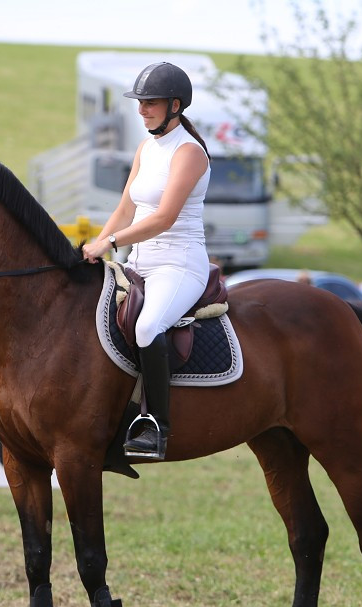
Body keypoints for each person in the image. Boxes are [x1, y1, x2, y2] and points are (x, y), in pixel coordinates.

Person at [82, 61, 211, 461]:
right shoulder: (146, 147)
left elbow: (163, 217)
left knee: (147, 326)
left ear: (175, 105)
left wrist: (112, 242)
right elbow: (126, 208)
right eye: (139, 103)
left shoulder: (189, 152)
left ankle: (155, 426)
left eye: (150, 103)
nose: (141, 110)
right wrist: (98, 241)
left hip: (179, 263)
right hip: (139, 262)